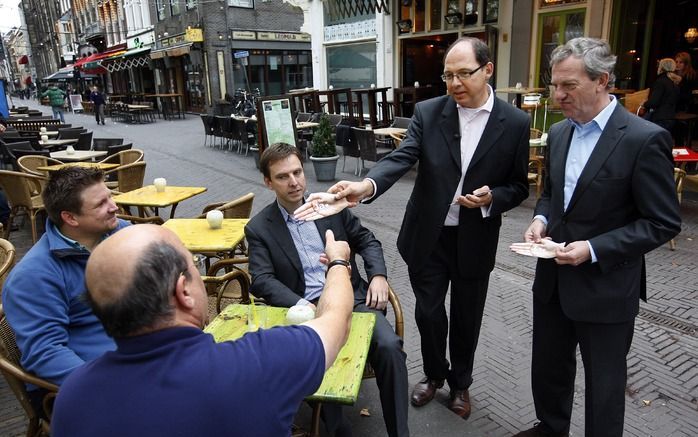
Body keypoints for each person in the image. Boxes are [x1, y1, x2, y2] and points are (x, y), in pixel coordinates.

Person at [319, 36, 530, 419]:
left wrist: (492, 198)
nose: (454, 84)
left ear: (488, 70)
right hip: (427, 237)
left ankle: (461, 384)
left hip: (475, 238)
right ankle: (434, 375)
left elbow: (518, 185)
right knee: (429, 314)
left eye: (463, 74)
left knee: (468, 317)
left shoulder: (515, 122)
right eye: (448, 75)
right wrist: (365, 186)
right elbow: (403, 156)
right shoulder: (430, 112)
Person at [514, 37, 681, 437]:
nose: (558, 95)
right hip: (553, 282)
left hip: (607, 287)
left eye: (568, 85)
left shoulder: (643, 138)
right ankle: (550, 428)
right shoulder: (558, 135)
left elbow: (662, 221)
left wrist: (592, 249)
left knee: (604, 386)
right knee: (549, 368)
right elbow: (554, 195)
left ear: (602, 80)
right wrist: (540, 219)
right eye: (555, 85)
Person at [51, 224, 356, 436]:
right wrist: (339, 260)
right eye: (193, 263)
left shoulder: (73, 395)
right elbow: (337, 320)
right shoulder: (260, 364)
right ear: (183, 291)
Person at [245, 143, 409, 437]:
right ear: (268, 182)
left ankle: (400, 433)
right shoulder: (259, 228)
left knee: (389, 347)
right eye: (283, 176)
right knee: (321, 361)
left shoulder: (330, 206)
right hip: (306, 308)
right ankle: (336, 430)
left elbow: (367, 241)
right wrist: (300, 304)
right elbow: (261, 279)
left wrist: (379, 276)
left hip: (353, 299)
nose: (294, 182)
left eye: (297, 172)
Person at [2, 167, 129, 412]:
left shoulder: (119, 232)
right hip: (84, 386)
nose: (114, 206)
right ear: (71, 218)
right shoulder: (34, 276)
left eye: (110, 196)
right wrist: (108, 386)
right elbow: (45, 353)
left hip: (138, 354)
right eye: (102, 203)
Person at [640, 58, 680, 132]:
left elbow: (654, 102)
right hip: (670, 117)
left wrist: (644, 104)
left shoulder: (660, 82)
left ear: (661, 68)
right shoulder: (675, 82)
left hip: (659, 117)